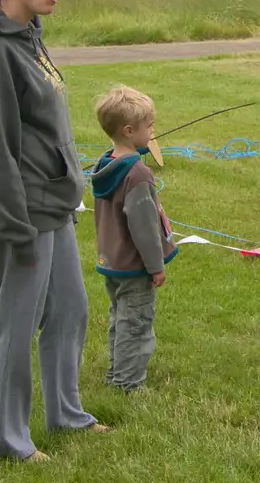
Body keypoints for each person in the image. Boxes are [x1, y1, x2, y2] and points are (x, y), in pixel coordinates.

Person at [0, 0, 109, 462]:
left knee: (69, 310)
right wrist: (15, 228)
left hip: (53, 202)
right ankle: (7, 442)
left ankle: (65, 414)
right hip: (19, 210)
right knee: (16, 327)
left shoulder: (26, 35)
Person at [90, 85, 178, 394]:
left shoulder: (105, 165)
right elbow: (143, 228)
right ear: (130, 130)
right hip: (134, 266)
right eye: (149, 126)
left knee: (119, 319)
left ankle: (116, 374)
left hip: (111, 262)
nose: (153, 131)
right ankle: (129, 384)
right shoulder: (137, 174)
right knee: (136, 324)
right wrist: (155, 266)